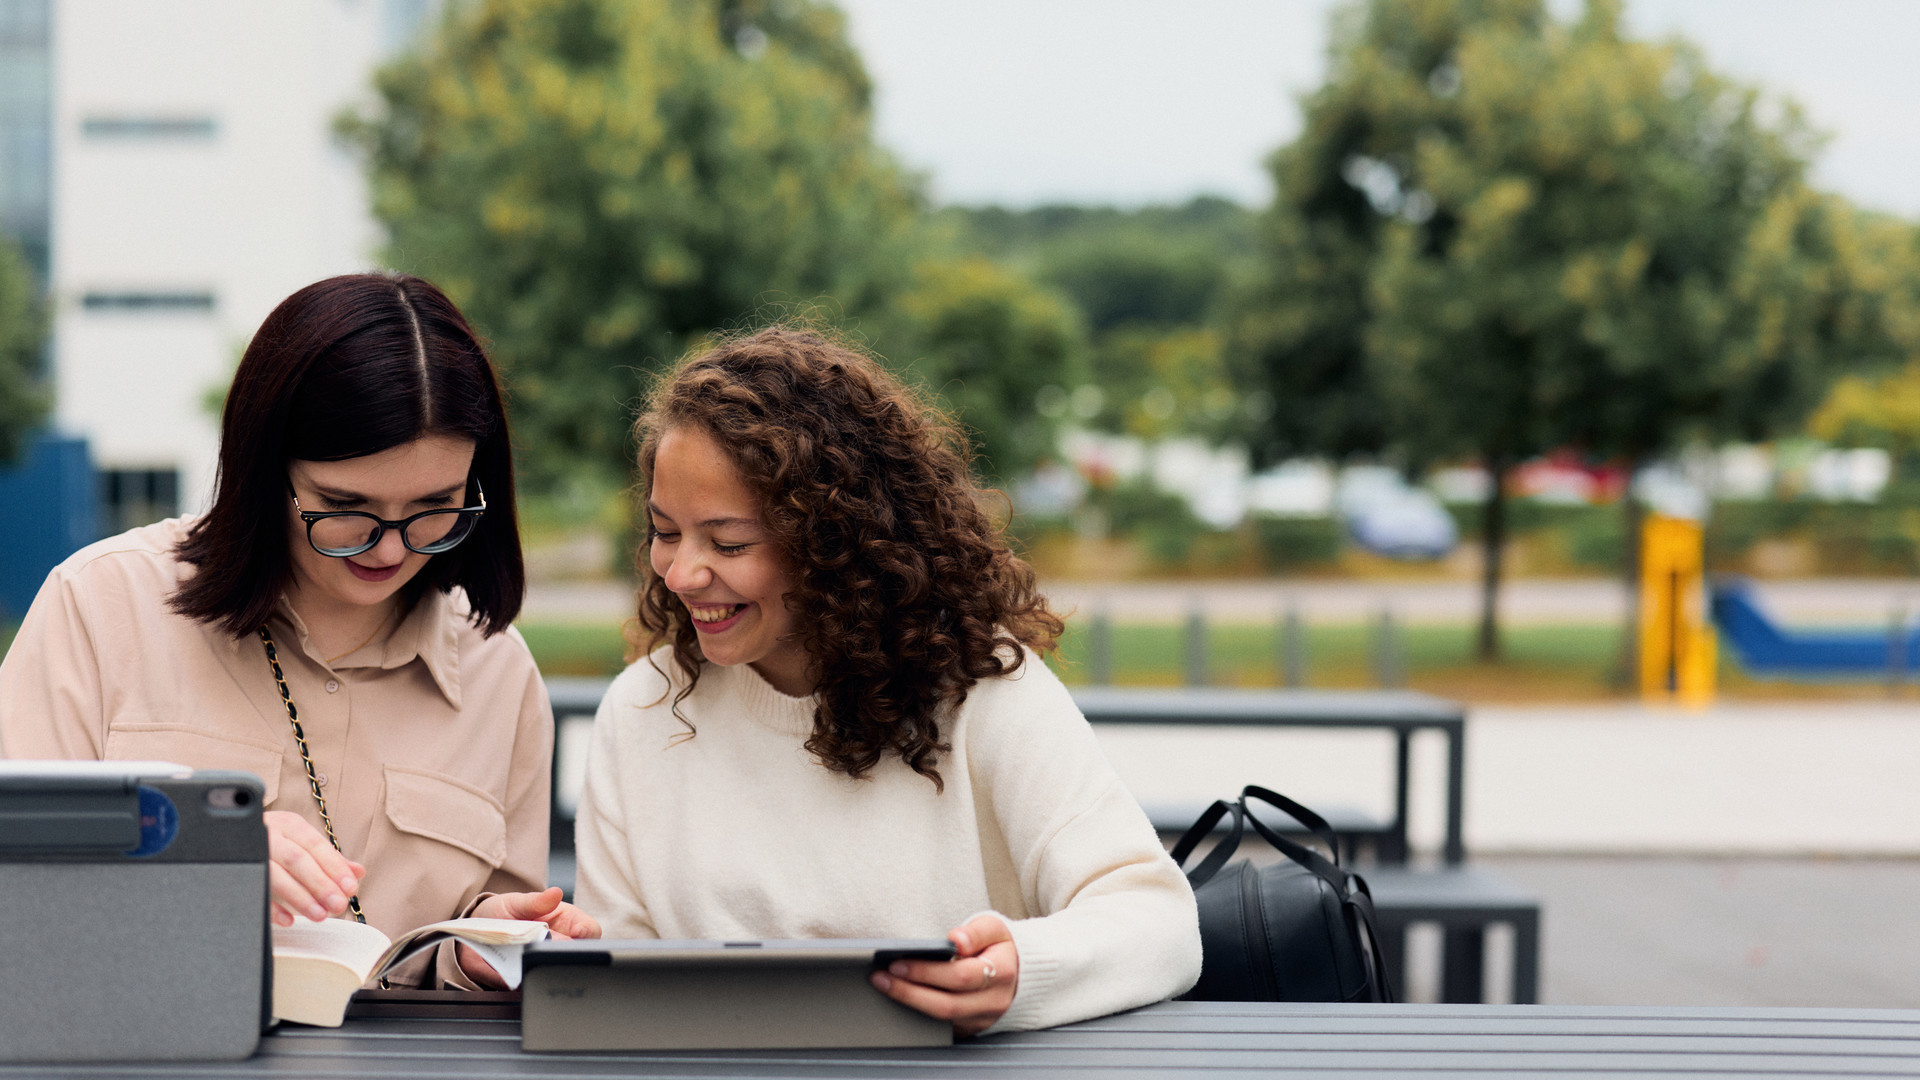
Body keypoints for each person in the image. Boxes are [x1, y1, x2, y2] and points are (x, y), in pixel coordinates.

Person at [573, 326, 1201, 1035]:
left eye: (729, 542)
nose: (682, 573)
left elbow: (1161, 923)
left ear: (832, 538)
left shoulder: (984, 693)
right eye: (664, 531)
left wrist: (1018, 971)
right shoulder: (642, 710)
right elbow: (615, 996)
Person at [0, 273, 597, 987]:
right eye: (345, 506)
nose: (389, 549)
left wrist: (487, 945)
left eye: (434, 508)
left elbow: (469, 951)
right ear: (263, 470)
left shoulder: (499, 675)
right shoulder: (101, 607)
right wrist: (195, 853)